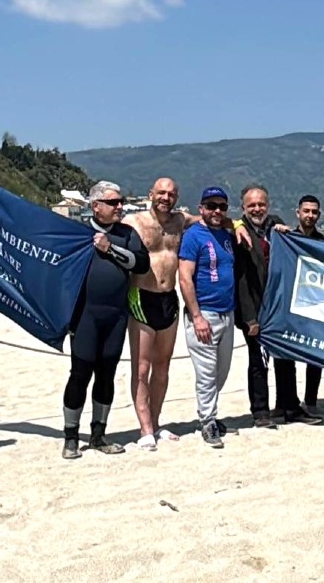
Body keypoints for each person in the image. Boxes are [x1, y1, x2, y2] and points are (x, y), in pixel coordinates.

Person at [122, 178, 249, 450]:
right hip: (142, 297)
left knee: (163, 367)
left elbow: (216, 220)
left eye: (171, 194)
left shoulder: (181, 222)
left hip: (168, 300)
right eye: (161, 193)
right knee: (142, 368)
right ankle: (145, 429)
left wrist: (237, 224)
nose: (165, 198)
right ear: (150, 194)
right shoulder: (135, 221)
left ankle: (155, 424)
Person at [61, 181, 150, 459]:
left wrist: (110, 248)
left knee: (107, 373)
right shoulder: (78, 233)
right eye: (113, 202)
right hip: (85, 316)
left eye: (120, 201)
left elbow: (142, 263)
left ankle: (99, 435)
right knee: (80, 373)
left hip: (116, 315)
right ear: (95, 205)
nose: (119, 207)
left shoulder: (126, 234)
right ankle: (71, 436)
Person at [234, 185, 319, 426]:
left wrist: (287, 233)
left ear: (268, 205)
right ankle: (261, 412)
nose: (257, 209)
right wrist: (249, 317)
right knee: (258, 362)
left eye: (261, 204)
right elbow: (240, 279)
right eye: (251, 205)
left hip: (280, 306)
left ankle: (288, 407)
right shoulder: (239, 232)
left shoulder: (276, 225)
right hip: (255, 307)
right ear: (243, 208)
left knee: (285, 358)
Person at [179, 187, 240, 448]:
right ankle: (207, 421)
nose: (217, 210)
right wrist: (196, 316)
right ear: (201, 208)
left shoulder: (225, 234)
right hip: (204, 313)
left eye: (222, 206)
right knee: (206, 373)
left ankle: (210, 414)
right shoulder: (193, 237)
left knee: (221, 372)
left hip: (227, 313)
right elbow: (184, 277)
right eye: (211, 205)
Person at [292, 194, 324, 412]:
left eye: (314, 212)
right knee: (287, 356)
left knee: (315, 356)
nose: (310, 215)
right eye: (306, 211)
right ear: (298, 213)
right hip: (293, 305)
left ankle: (312, 400)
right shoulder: (287, 238)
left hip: (317, 305)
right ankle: (287, 401)